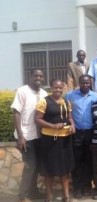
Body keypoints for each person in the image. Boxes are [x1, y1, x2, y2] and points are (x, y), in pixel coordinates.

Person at [35, 79, 75, 202]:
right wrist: (53, 126)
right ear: (51, 88)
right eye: (55, 88)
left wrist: (73, 125)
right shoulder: (44, 101)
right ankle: (49, 197)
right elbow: (37, 119)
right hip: (49, 141)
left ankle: (66, 196)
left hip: (65, 140)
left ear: (63, 88)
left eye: (60, 88)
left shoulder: (66, 101)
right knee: (49, 170)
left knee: (65, 170)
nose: (58, 90)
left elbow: (69, 117)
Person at [11, 69, 48, 202]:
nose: (38, 78)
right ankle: (23, 196)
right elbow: (16, 113)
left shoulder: (44, 93)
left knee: (37, 166)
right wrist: (21, 136)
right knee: (30, 165)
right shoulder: (22, 91)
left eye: (41, 76)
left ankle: (33, 192)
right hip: (26, 136)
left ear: (43, 79)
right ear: (30, 77)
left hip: (38, 136)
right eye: (36, 75)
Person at [65, 75, 97, 199]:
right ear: (79, 83)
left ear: (90, 84)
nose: (85, 85)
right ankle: (77, 187)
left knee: (89, 161)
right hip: (77, 133)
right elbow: (64, 110)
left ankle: (87, 185)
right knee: (77, 161)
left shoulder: (95, 96)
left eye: (87, 83)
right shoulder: (70, 95)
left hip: (91, 132)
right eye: (83, 83)